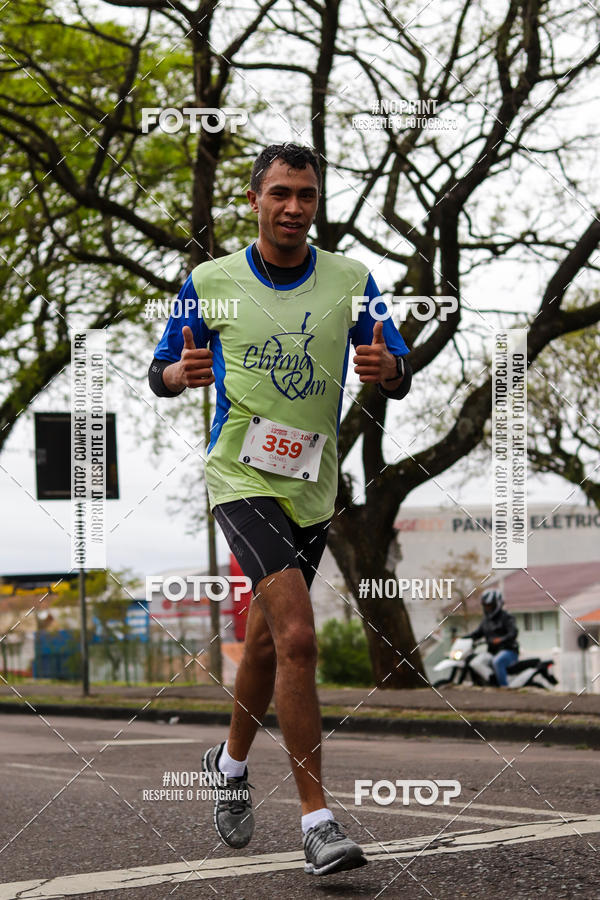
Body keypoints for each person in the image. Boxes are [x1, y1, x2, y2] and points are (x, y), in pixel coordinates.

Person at [148, 143, 412, 876]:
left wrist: (388, 367)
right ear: (256, 200)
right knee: (298, 636)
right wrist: (177, 372)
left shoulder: (352, 279)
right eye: (281, 194)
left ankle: (228, 766)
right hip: (240, 475)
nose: (294, 207)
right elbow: (160, 368)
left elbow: (398, 365)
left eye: (307, 196)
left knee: (266, 644)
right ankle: (318, 822)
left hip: (312, 482)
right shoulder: (210, 280)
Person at [467, 589, 519, 686]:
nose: (487, 608)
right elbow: (477, 634)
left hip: (509, 651)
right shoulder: (486, 621)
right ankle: (492, 681)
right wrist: (462, 638)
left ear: (497, 604)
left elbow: (513, 633)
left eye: (489, 605)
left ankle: (504, 688)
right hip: (492, 652)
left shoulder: (507, 617)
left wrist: (501, 639)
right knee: (475, 662)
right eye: (486, 606)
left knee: (497, 662)